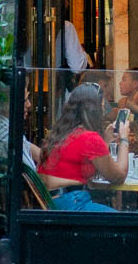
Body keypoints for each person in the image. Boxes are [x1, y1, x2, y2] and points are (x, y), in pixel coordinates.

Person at [39, 82, 130, 211]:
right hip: (72, 204)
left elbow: (87, 161)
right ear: (96, 110)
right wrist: (124, 139)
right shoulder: (90, 138)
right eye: (102, 106)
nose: (104, 111)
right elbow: (118, 177)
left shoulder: (64, 132)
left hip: (55, 202)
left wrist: (107, 140)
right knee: (129, 224)